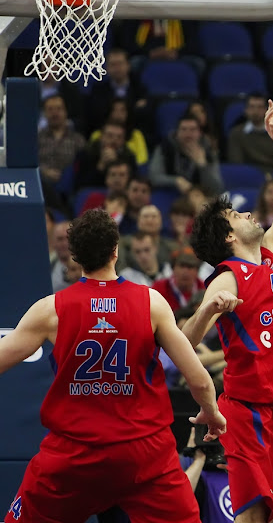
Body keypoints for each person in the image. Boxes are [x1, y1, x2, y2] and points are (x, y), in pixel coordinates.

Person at [1, 209, 225, 523]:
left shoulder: (50, 310)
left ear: (75, 256)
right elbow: (199, 380)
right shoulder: (152, 303)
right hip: (144, 454)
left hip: (74, 455)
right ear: (116, 250)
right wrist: (210, 412)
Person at [182, 100, 273, 523]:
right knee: (254, 516)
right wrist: (208, 312)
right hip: (247, 411)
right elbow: (183, 342)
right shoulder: (228, 277)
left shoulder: (271, 254)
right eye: (235, 213)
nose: (246, 212)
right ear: (228, 238)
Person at [149, 113, 223, 196]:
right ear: (177, 132)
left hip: (199, 199)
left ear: (200, 133)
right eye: (183, 129)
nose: (188, 134)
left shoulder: (208, 151)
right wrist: (176, 180)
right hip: (169, 195)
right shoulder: (165, 147)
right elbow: (153, 177)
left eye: (193, 129)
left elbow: (217, 188)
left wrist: (203, 166)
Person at [227, 93, 273, 174]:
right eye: (252, 107)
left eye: (260, 107)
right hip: (247, 176)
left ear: (267, 110)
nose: (255, 111)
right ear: (246, 110)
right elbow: (236, 164)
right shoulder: (236, 133)